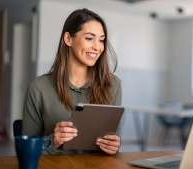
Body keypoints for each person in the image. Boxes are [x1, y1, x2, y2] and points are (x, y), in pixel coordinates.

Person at [22, 8, 122, 155]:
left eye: (101, 40)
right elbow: (26, 149)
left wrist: (113, 145)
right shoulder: (38, 88)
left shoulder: (114, 85)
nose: (97, 47)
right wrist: (54, 141)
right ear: (68, 39)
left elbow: (115, 138)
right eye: (89, 38)